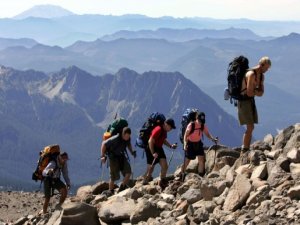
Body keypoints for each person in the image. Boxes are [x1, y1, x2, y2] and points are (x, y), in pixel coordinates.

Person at [238, 56, 271, 153]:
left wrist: (255, 92)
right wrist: (256, 92)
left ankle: (246, 148)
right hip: (244, 101)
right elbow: (249, 92)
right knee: (250, 127)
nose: (267, 70)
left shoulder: (261, 76)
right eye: (266, 68)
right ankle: (244, 149)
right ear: (261, 65)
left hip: (250, 101)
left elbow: (261, 93)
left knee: (251, 127)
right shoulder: (251, 74)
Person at [100, 127, 136, 196]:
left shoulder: (127, 139)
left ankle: (122, 187)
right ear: (123, 134)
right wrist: (102, 156)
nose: (127, 138)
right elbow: (104, 144)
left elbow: (128, 144)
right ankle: (110, 191)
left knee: (128, 172)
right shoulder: (115, 138)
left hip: (121, 156)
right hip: (113, 157)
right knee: (113, 176)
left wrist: (132, 152)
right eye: (126, 136)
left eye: (128, 136)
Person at [180, 112, 218, 178]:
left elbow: (207, 134)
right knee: (187, 161)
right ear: (197, 118)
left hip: (198, 143)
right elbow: (185, 135)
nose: (201, 122)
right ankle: (181, 174)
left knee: (201, 160)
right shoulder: (191, 125)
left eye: (202, 121)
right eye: (200, 121)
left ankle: (200, 176)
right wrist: (185, 144)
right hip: (190, 144)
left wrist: (213, 139)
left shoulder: (202, 125)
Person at [143, 118, 177, 189]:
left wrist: (170, 146)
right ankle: (144, 183)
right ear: (166, 124)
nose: (170, 129)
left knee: (165, 165)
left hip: (159, 148)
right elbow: (150, 141)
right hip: (151, 148)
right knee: (151, 168)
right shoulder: (158, 129)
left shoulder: (164, 131)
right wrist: (153, 153)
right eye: (170, 127)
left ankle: (162, 182)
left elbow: (163, 140)